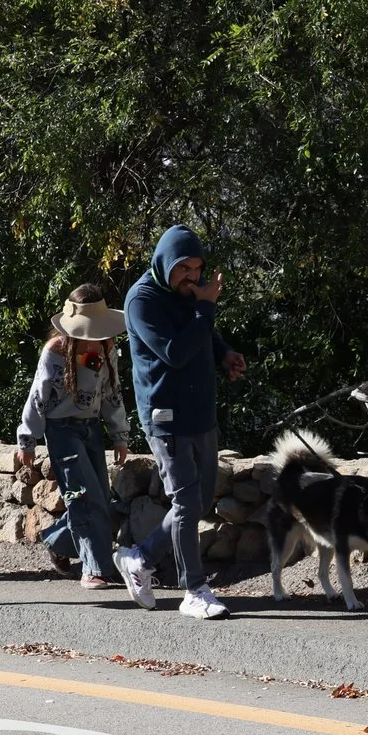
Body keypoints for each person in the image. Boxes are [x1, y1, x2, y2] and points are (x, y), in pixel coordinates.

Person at [124, 225, 245, 619]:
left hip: (201, 414)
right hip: (166, 416)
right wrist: (206, 307)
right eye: (183, 269)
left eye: (196, 269)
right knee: (186, 501)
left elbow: (203, 333)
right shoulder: (142, 300)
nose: (191, 277)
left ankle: (139, 557)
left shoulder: (190, 296)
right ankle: (194, 590)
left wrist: (224, 352)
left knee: (197, 498)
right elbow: (174, 352)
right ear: (164, 263)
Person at [17, 285, 139, 593]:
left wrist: (119, 434)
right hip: (62, 431)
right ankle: (95, 569)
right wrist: (27, 439)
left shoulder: (106, 347)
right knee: (85, 497)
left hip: (90, 428)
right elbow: (38, 398)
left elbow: (111, 391)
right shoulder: (55, 351)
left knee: (100, 496)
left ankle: (58, 540)